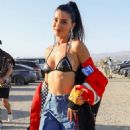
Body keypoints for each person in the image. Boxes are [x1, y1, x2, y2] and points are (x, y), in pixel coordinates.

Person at [30, 1, 108, 130]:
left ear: (73, 25)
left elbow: (95, 76)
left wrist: (76, 98)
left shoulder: (76, 47)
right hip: (48, 106)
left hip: (69, 108)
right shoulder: (48, 50)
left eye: (64, 22)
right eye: (55, 20)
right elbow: (46, 82)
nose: (58, 25)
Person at [0, 40, 15, 127]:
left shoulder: (6, 56)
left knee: (5, 102)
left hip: (4, 82)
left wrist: (4, 78)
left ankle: (9, 112)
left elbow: (10, 69)